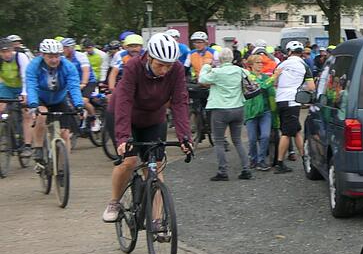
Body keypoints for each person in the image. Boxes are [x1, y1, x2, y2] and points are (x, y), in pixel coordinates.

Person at [102, 33, 192, 223]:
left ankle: (157, 220)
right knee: (129, 160)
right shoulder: (133, 66)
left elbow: (180, 102)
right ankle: (114, 202)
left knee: (156, 167)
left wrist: (185, 137)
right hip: (123, 115)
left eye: (169, 65)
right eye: (160, 65)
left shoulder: (175, 70)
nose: (165, 70)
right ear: (149, 57)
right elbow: (124, 101)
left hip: (153, 117)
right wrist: (123, 137)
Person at [198, 47, 252, 181]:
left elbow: (202, 79)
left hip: (220, 109)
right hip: (238, 108)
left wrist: (206, 66)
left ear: (219, 59)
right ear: (232, 58)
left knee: (219, 141)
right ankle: (246, 169)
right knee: (238, 140)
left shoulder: (216, 72)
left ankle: (223, 171)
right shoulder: (240, 70)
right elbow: (250, 78)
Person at [25, 39, 85, 156]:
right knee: (41, 116)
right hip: (41, 98)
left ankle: (63, 168)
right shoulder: (34, 65)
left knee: (65, 134)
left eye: (57, 56)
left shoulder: (68, 66)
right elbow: (31, 86)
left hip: (59, 99)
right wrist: (33, 105)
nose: (54, 60)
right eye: (50, 57)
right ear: (42, 55)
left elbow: (73, 86)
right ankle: (38, 148)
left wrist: (79, 105)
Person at [272, 40, 315, 174]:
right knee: (286, 133)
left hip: (280, 99)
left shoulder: (282, 63)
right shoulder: (304, 65)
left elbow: (275, 80)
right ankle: (279, 163)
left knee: (296, 130)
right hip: (293, 101)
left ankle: (305, 157)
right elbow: (311, 87)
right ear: (301, 53)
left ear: (289, 52)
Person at [244, 55, 278, 170]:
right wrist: (274, 77)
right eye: (257, 62)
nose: (260, 65)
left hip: (265, 111)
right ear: (251, 65)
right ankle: (253, 159)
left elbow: (271, 92)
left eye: (261, 63)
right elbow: (260, 86)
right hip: (251, 112)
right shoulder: (248, 77)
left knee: (265, 136)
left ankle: (261, 160)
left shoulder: (265, 77)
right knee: (252, 138)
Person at [0, 37, 33, 157]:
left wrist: (24, 94)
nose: (6, 54)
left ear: (12, 49)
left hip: (22, 87)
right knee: (1, 108)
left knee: (26, 113)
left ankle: (27, 145)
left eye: (8, 51)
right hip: (7, 87)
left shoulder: (21, 57)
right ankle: (6, 132)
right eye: (3, 52)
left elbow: (26, 77)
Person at [61, 38, 98, 131]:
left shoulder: (80, 56)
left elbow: (86, 71)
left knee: (83, 101)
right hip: (73, 83)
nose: (63, 50)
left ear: (71, 48)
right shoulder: (62, 58)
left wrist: (83, 83)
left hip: (88, 81)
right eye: (62, 48)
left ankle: (94, 118)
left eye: (65, 48)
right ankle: (78, 119)